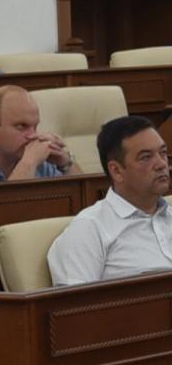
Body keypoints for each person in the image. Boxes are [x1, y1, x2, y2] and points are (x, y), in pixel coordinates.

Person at [48, 116, 172, 286]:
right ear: (116, 171)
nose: (161, 164)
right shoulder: (89, 229)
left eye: (163, 153)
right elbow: (75, 301)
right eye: (145, 157)